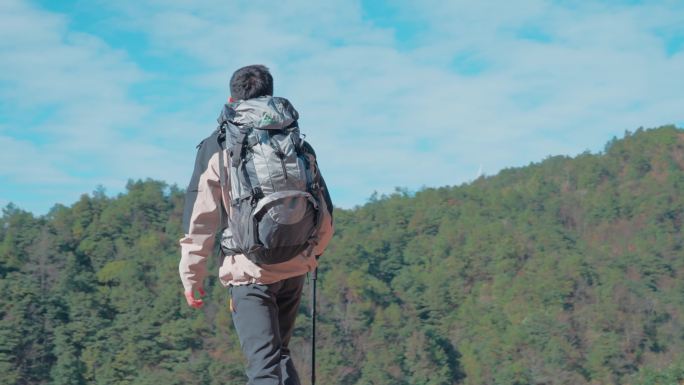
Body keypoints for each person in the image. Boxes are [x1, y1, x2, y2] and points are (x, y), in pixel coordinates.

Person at [178, 64, 333, 385]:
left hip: (249, 271)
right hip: (294, 266)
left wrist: (191, 276)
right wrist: (311, 255)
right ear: (270, 95)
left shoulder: (218, 143)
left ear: (231, 98)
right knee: (280, 354)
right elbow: (324, 209)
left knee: (263, 368)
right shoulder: (296, 140)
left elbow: (201, 219)